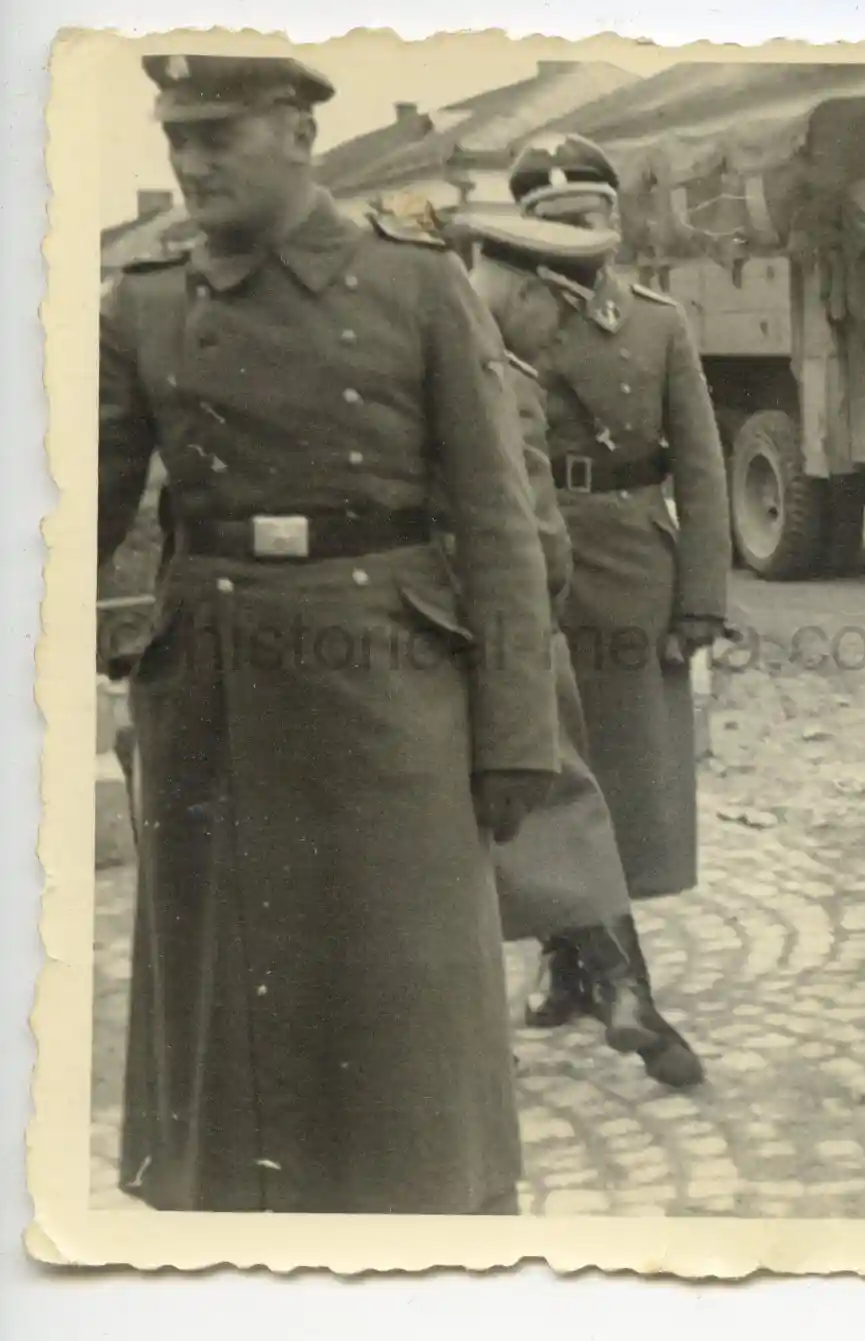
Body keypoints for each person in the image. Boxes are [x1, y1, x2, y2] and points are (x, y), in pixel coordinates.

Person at [100, 54, 558, 1213]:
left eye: (219, 136)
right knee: (229, 987)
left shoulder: (414, 286)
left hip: (386, 683)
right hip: (212, 689)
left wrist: (515, 733)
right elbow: (70, 525)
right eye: (176, 140)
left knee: (401, 983)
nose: (192, 162)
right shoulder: (146, 300)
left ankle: (429, 1223)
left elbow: (498, 522)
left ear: (300, 133)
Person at [451, 212, 708, 1090]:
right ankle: (621, 989)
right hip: (495, 618)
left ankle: (610, 985)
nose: (562, 337)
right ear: (526, 291)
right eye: (556, 316)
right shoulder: (482, 366)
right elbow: (527, 523)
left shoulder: (457, 346)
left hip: (440, 614)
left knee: (540, 796)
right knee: (552, 793)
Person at [498, 134, 733, 1026]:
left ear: (615, 224)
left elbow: (702, 467)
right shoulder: (493, 324)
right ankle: (578, 963)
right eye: (552, 224)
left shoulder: (657, 322)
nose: (574, 240)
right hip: (528, 559)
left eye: (588, 220)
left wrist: (701, 597)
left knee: (626, 772)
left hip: (631, 561)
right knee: (543, 762)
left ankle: (592, 961)